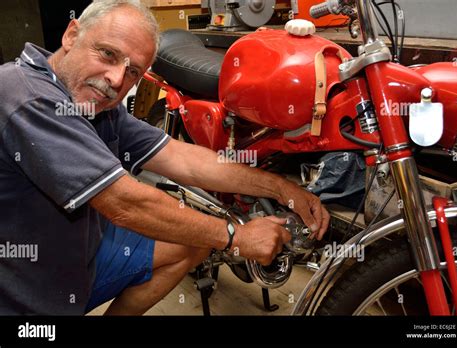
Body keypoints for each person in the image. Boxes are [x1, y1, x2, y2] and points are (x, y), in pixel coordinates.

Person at [0, 0, 330, 315]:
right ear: (72, 35)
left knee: (193, 242)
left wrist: (280, 189)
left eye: (132, 72)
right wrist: (236, 236)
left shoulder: (96, 104)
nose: (117, 80)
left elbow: (181, 157)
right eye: (108, 54)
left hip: (82, 260)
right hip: (25, 296)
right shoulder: (25, 95)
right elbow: (125, 204)